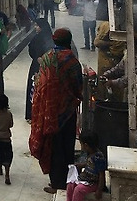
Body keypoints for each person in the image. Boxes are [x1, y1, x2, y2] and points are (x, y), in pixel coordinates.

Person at [29, 27, 83, 195]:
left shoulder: (47, 58)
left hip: (49, 110)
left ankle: (56, 181)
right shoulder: (72, 61)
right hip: (67, 111)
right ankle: (66, 180)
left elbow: (40, 84)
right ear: (69, 41)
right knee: (67, 146)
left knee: (53, 146)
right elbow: (78, 86)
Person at [102, 34, 137, 101]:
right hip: (134, 94)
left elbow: (131, 79)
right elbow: (119, 68)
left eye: (126, 44)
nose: (125, 46)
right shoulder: (129, 55)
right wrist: (106, 74)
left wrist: (112, 82)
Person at [25, 18, 53, 121]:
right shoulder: (39, 37)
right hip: (40, 66)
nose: (36, 28)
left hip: (41, 66)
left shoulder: (46, 38)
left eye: (37, 26)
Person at [66, 131, 106, 201]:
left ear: (86, 145)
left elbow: (101, 175)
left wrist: (99, 190)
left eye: (81, 144)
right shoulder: (90, 153)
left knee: (78, 190)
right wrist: (81, 165)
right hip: (85, 179)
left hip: (93, 183)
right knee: (70, 184)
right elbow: (90, 164)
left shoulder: (98, 157)